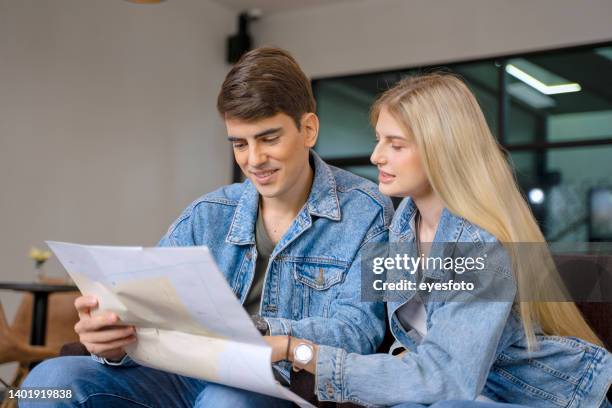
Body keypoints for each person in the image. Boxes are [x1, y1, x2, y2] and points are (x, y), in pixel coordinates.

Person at [20, 47, 393, 407]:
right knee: (46, 382)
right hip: (181, 377)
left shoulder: (368, 211)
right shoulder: (207, 213)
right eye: (239, 144)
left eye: (269, 138)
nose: (254, 159)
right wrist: (114, 345)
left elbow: (358, 330)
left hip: (278, 382)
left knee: (225, 399)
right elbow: (150, 313)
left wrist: (254, 332)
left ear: (308, 129)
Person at [266, 73, 612, 407]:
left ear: (440, 151)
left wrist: (299, 351)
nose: (376, 157)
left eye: (396, 144)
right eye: (378, 139)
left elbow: (445, 379)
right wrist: (267, 329)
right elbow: (359, 320)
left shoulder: (479, 246)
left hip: (543, 399)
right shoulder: (402, 221)